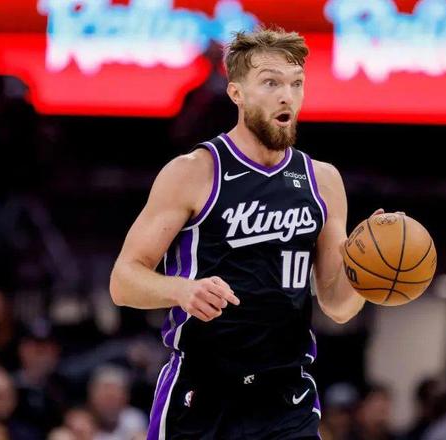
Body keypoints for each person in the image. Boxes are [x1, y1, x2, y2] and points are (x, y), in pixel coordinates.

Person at [110, 26, 378, 439]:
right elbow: (123, 281)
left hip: (286, 398)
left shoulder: (322, 181)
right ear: (236, 93)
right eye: (271, 83)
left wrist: (371, 270)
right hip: (202, 393)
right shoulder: (194, 171)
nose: (286, 95)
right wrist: (181, 290)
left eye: (296, 83)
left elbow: (337, 305)